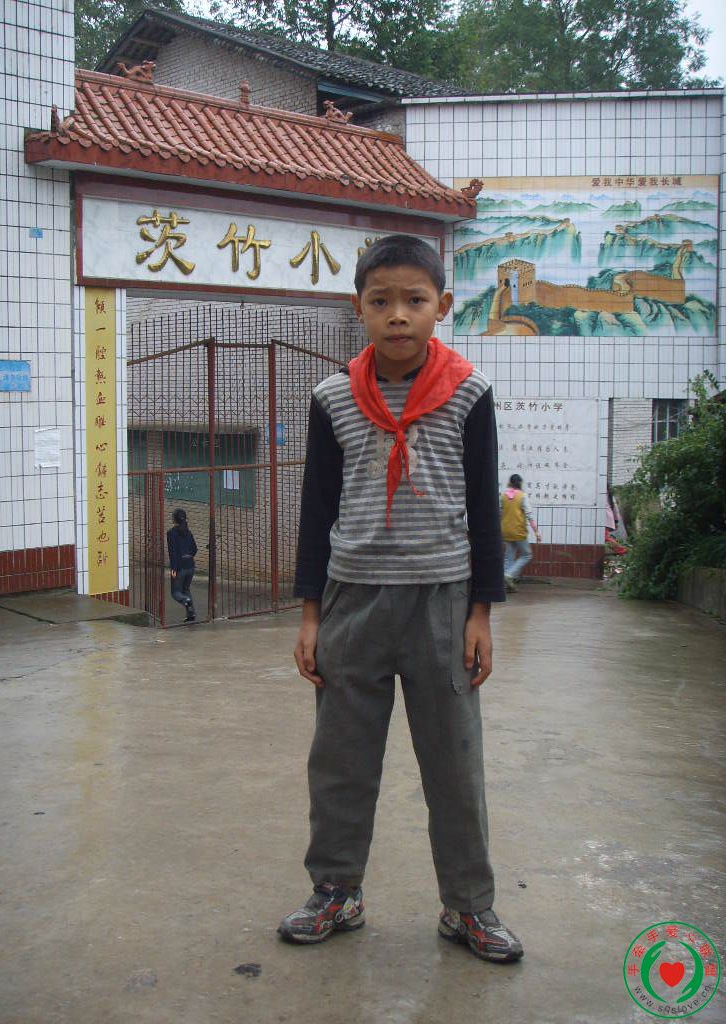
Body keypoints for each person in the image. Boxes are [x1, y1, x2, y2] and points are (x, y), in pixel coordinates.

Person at [279, 234, 523, 963]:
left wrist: (481, 613)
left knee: (454, 764)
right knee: (341, 761)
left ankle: (468, 906)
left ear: (441, 306)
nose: (397, 315)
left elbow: (484, 508)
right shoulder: (332, 398)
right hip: (351, 601)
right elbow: (316, 511)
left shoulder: (469, 393)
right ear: (357, 307)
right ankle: (336, 891)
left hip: (443, 604)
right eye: (380, 300)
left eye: (414, 300)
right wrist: (310, 617)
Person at [500, 474, 541, 592]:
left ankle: (506, 585)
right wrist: (536, 532)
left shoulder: (503, 496)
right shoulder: (523, 496)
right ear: (520, 483)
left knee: (509, 557)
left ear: (510, 483)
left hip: (506, 531)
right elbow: (529, 515)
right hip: (519, 532)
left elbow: (499, 513)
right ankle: (509, 575)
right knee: (527, 555)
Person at [166, 508, 197, 622]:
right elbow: (194, 549)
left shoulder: (171, 533)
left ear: (174, 519)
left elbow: (173, 552)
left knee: (175, 593)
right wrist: (189, 557)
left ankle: (185, 601)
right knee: (186, 589)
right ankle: (191, 614)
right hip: (190, 566)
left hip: (180, 567)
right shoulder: (188, 531)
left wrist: (174, 568)